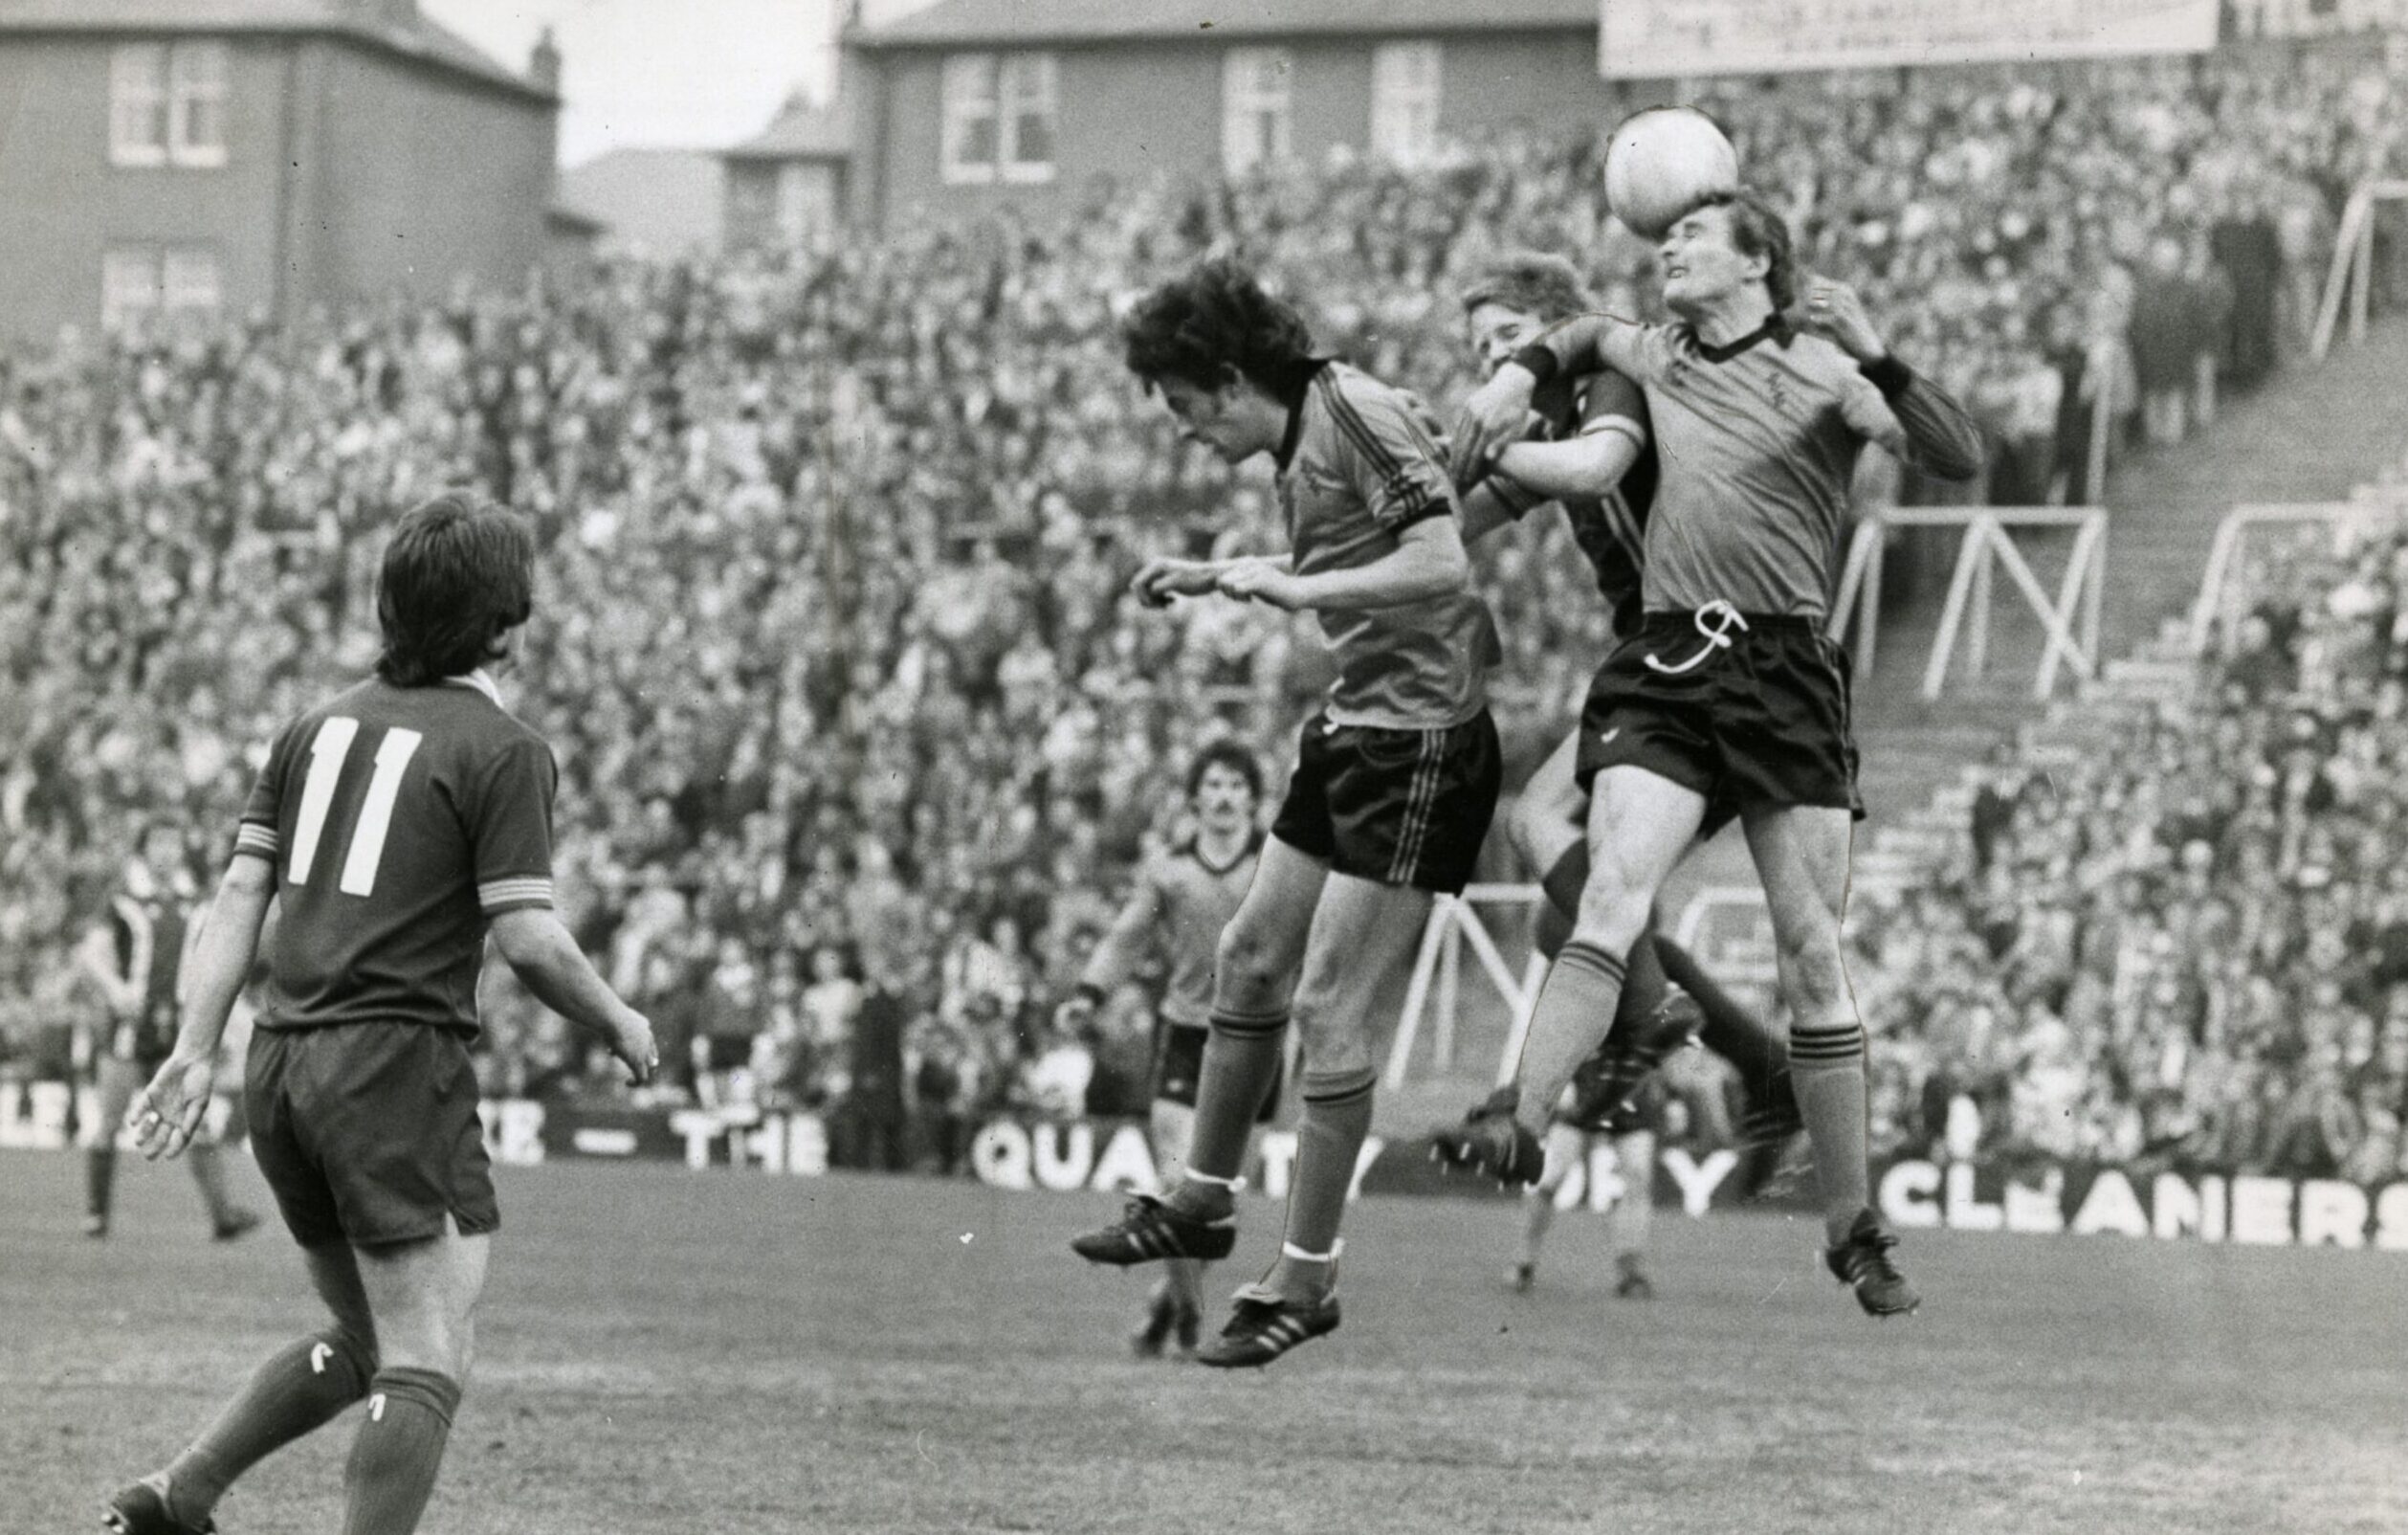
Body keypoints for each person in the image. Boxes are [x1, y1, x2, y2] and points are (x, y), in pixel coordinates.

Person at [1440, 188, 1985, 1317]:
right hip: (1675, 656)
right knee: (1609, 892)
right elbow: (1582, 332)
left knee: (1809, 950)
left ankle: (1853, 1227)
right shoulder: (1655, 351)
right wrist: (1508, 377)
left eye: (1692, 235)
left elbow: (1958, 453)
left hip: (1787, 667)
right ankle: (1520, 1117)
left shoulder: (1824, 370)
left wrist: (1880, 356)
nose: (1668, 247)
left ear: (1758, 260)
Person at [106, 494, 658, 1535]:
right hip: (391, 1065)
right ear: (505, 622)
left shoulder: (312, 726)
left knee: (368, 1332)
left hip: (280, 1063)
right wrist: (620, 1015)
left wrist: (192, 1048)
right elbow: (531, 938)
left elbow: (237, 898)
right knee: (425, 1353)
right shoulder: (504, 748)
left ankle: (180, 1493)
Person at [1070, 257, 1503, 1368]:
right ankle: (1204, 1199)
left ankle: (1307, 1274)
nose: (1179, 432)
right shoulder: (1302, 432)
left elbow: (1441, 558)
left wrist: (1300, 592)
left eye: (1179, 407)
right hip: (1356, 722)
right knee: (1248, 955)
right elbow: (1354, 552)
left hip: (1423, 746)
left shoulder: (1347, 409)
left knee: (1326, 998)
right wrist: (1229, 574)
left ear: (1224, 378)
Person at [1447, 253, 1806, 1288]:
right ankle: (1749, 1056)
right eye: (1478, 351)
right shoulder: (1545, 425)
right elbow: (1451, 517)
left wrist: (1487, 448)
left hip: (1707, 647)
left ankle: (1696, 1034)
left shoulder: (1609, 379)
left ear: (1555, 332)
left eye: (1505, 341)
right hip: (1663, 661)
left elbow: (1600, 468)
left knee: (1543, 830)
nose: (1492, 363)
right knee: (1580, 900)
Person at [1057, 741, 1275, 1358]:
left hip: (1258, 1039)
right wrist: (1090, 992)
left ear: (1253, 800)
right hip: (1185, 1035)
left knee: (1218, 1204)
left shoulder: (1275, 868)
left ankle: (1168, 1303)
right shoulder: (1168, 872)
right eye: (1214, 784)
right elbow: (1126, 938)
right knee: (1178, 1185)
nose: (1226, 795)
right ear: (1196, 798)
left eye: (1237, 784)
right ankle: (1188, 1311)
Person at [72, 820, 258, 1242]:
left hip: (178, 1028)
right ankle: (96, 1216)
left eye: (173, 842)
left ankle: (223, 1215)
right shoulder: (121, 898)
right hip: (128, 1029)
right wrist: (116, 989)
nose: (166, 851)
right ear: (144, 849)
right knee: (110, 1119)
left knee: (197, 1123)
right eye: (158, 842)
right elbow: (90, 953)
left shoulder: (195, 902)